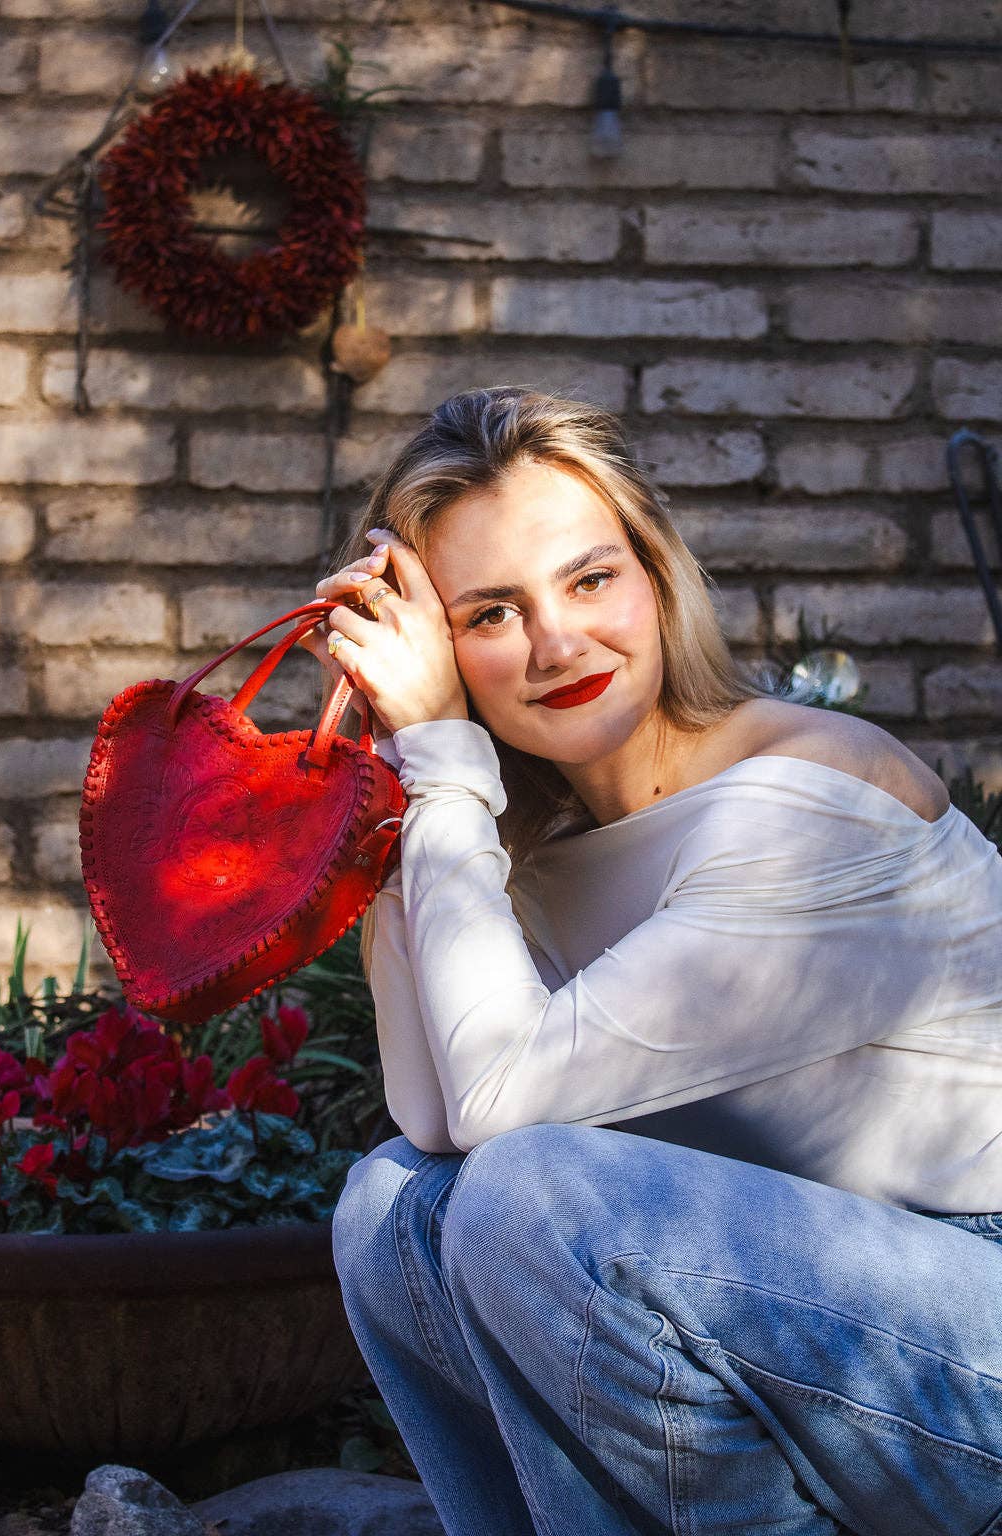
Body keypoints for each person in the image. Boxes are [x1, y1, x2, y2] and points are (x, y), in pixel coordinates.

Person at [297, 388, 1002, 1536]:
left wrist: (440, 764)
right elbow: (429, 1118)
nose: (558, 643)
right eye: (489, 615)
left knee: (535, 1196)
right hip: (810, 1323)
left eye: (590, 579)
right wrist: (407, 785)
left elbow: (498, 1109)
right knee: (393, 1209)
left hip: (971, 1318)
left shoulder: (806, 799)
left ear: (657, 576)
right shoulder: (522, 847)